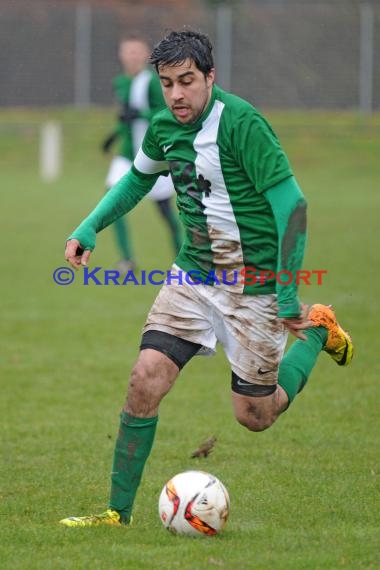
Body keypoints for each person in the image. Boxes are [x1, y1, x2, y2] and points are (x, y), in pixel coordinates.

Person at [60, 30, 353, 527]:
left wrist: (285, 292)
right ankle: (116, 513)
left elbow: (293, 207)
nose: (177, 94)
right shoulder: (163, 126)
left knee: (254, 417)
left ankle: (318, 330)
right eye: (168, 83)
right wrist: (89, 227)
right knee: (143, 378)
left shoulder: (242, 124)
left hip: (255, 286)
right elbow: (137, 179)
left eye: (188, 81)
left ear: (210, 77)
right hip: (192, 276)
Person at [101, 34, 182, 272]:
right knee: (111, 200)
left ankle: (183, 260)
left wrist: (141, 115)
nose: (131, 56)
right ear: (121, 55)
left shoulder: (153, 82)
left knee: (166, 212)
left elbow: (166, 112)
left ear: (145, 55)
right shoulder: (121, 82)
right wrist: (115, 134)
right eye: (127, 51)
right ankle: (127, 259)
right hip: (127, 153)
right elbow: (126, 116)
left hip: (153, 155)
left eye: (136, 51)